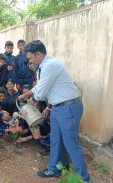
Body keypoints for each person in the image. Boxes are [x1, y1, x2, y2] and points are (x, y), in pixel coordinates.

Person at [18, 40, 92, 183]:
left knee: (71, 143)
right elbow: (40, 86)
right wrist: (26, 95)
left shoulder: (50, 65)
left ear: (38, 54)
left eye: (30, 58)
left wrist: (33, 99)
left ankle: (84, 178)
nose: (30, 61)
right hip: (58, 108)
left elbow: (41, 92)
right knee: (56, 139)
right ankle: (55, 168)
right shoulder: (45, 65)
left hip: (68, 108)